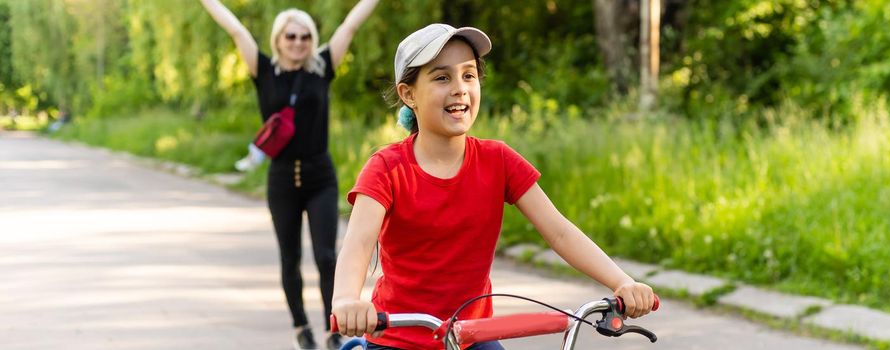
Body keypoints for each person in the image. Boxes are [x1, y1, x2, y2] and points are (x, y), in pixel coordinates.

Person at [330, 24, 657, 350]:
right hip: (399, 338)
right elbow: (358, 243)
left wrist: (622, 282)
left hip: (472, 337)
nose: (459, 88)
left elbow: (560, 232)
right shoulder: (387, 168)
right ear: (408, 94)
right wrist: (346, 299)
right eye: (442, 77)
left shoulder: (497, 160)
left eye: (468, 75)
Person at [199, 1, 380, 349]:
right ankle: (300, 326)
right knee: (290, 257)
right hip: (281, 179)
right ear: (278, 39)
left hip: (320, 177)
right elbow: (236, 29)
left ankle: (333, 328)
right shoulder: (264, 71)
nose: (298, 42)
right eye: (291, 36)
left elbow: (349, 27)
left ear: (312, 40)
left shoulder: (322, 67)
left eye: (305, 36)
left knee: (327, 256)